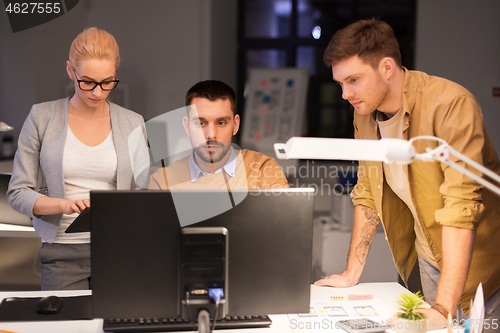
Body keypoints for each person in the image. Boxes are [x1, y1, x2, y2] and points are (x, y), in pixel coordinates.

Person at [314, 19, 500, 331]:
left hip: (479, 269)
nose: (345, 94)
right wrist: (350, 274)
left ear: (386, 67)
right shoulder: (365, 115)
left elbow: (460, 207)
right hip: (426, 259)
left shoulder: (450, 105)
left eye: (354, 80)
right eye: (340, 84)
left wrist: (443, 306)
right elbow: (368, 192)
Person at [7, 27, 147, 290]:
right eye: (87, 81)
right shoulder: (41, 117)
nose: (97, 92)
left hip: (119, 251)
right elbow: (17, 192)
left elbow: (143, 194)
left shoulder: (133, 122)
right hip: (62, 253)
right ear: (70, 70)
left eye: (107, 82)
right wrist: (63, 205)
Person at [148, 80, 289, 190]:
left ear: (235, 125)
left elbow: (285, 221)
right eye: (201, 123)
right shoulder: (162, 181)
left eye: (221, 123)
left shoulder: (262, 169)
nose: (211, 135)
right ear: (187, 126)